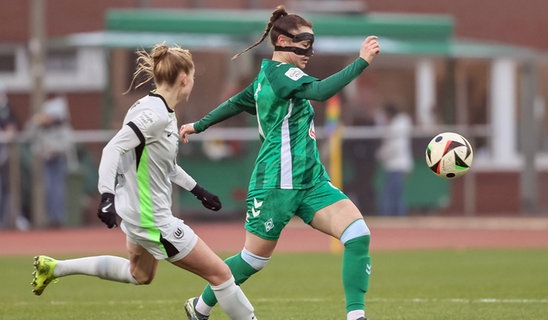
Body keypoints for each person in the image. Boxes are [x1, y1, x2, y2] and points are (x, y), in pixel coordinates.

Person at [179, 5, 380, 320]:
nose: (309, 51)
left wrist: (198, 125)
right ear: (283, 41)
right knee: (252, 261)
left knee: (357, 234)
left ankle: (356, 316)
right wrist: (362, 61)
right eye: (304, 43)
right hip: (275, 182)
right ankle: (200, 307)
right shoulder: (282, 75)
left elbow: (235, 103)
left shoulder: (268, 77)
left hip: (311, 181)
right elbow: (321, 91)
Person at [30, 43, 258, 320]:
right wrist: (106, 197)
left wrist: (198, 190)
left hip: (135, 214)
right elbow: (113, 148)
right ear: (184, 78)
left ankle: (55, 268)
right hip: (152, 220)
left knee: (139, 274)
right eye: (194, 77)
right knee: (221, 275)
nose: (193, 83)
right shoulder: (156, 115)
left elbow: (164, 165)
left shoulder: (154, 108)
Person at [25, 94, 76, 227]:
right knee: (46, 190)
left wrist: (53, 148)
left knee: (58, 190)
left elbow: (67, 144)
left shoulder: (63, 127)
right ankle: (48, 217)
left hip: (58, 161)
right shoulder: (40, 128)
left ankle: (58, 218)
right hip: (45, 163)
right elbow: (28, 136)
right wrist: (34, 122)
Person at [375, 103, 414, 216]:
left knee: (391, 194)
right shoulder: (396, 125)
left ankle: (392, 217)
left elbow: (395, 147)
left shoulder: (397, 126)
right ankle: (396, 216)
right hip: (396, 165)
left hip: (397, 165)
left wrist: (380, 155)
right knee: (395, 194)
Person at [0, 82, 18, 227]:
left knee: (4, 189)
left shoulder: (6, 110)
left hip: (3, 156)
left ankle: (4, 221)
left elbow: (11, 131)